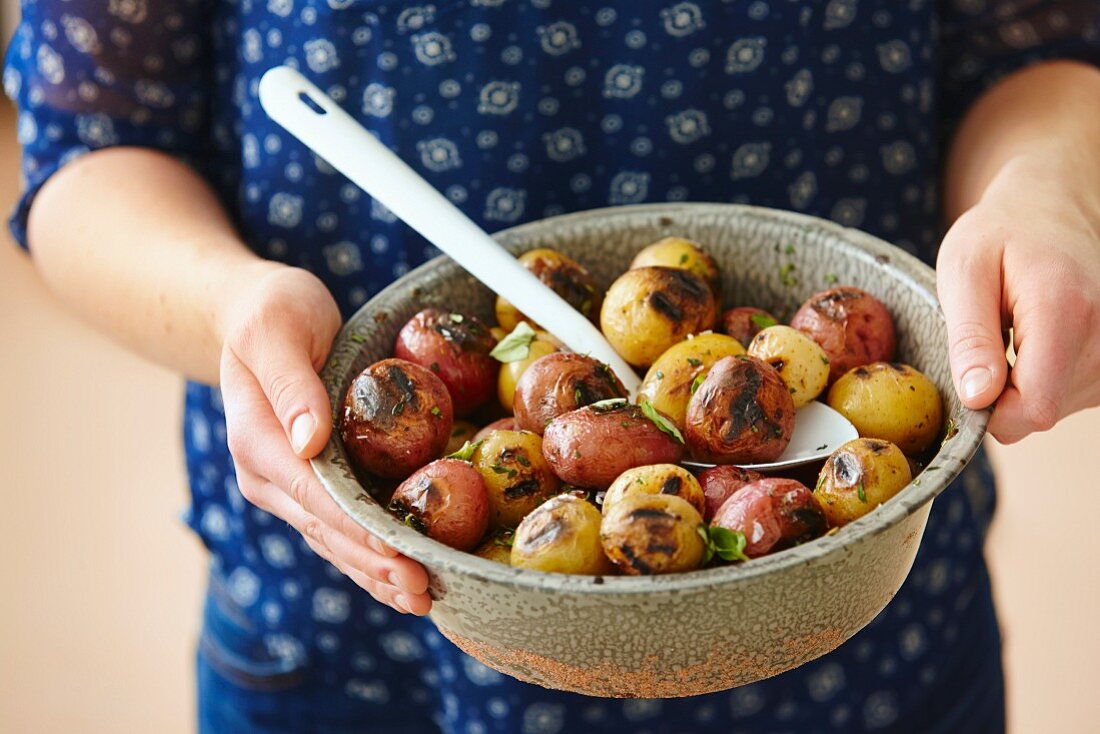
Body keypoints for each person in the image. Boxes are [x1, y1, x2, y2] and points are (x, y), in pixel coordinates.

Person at [5, 1, 1099, 732]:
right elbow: (86, 139)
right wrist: (227, 305)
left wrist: (1047, 186)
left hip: (856, 625)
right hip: (361, 625)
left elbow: (1031, 38)